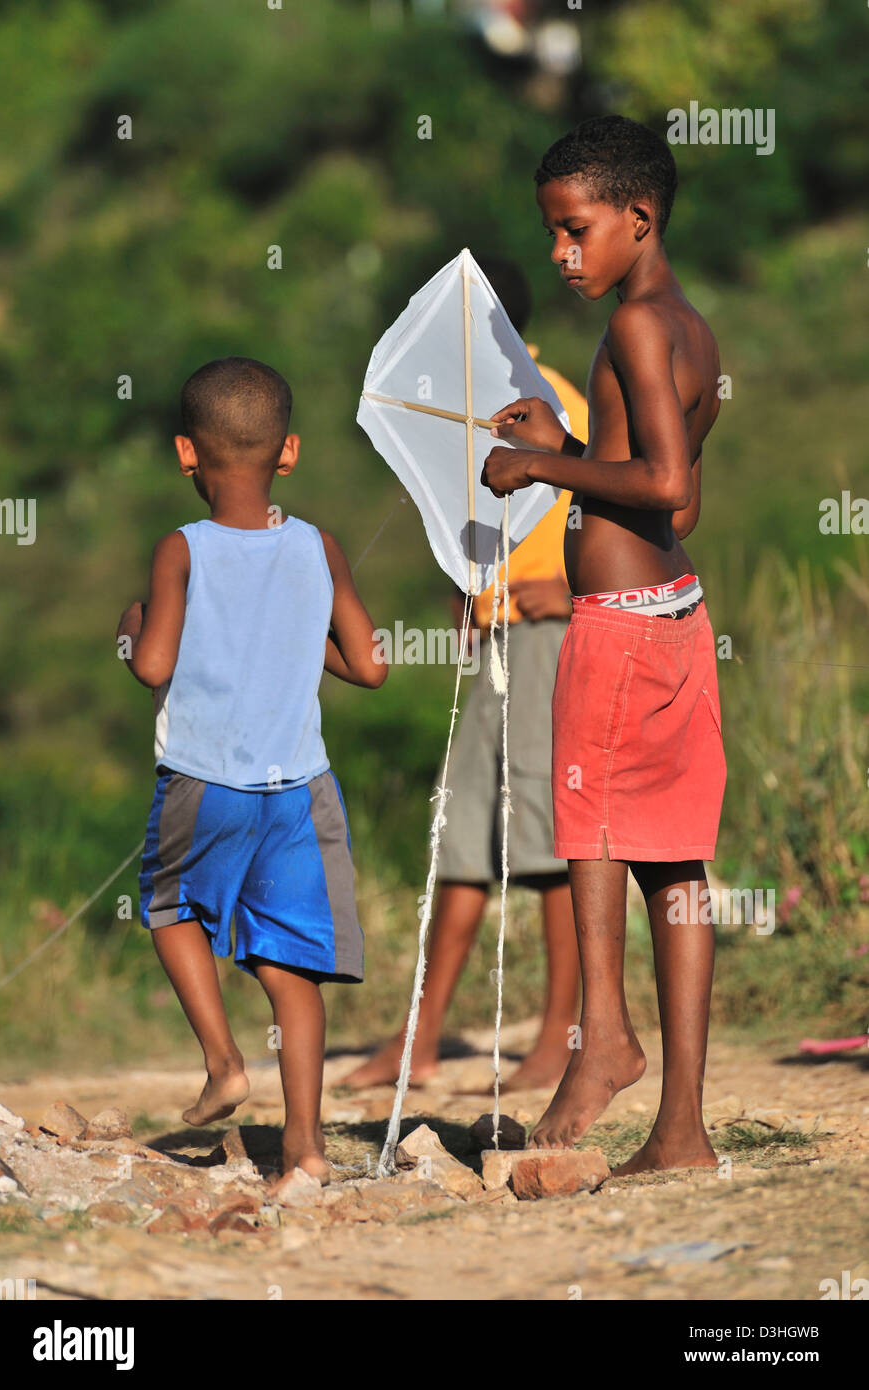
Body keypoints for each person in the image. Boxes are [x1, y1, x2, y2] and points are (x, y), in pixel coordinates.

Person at [482, 116, 726, 1174]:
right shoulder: (687, 324)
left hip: (617, 634)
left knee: (588, 832)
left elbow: (665, 489)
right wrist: (571, 448)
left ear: (638, 217)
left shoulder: (634, 326)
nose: (560, 254)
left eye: (574, 231)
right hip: (675, 613)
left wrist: (541, 475)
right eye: (551, 235)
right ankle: (682, 1130)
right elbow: (674, 496)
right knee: (674, 861)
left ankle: (604, 1040)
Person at [116, 357, 385, 1194]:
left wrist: (129, 627)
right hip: (301, 789)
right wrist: (307, 648)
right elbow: (372, 666)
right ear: (290, 452)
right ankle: (305, 1150)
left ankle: (225, 1061)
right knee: (291, 970)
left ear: (185, 454)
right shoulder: (318, 546)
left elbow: (152, 661)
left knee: (167, 907)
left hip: (204, 780)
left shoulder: (181, 550)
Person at [343, 259, 587, 1094]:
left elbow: (606, 505)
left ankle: (561, 1035)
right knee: (462, 833)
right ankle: (419, 1035)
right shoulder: (467, 415)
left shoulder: (552, 403)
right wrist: (463, 598)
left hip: (552, 638)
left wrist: (569, 591)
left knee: (548, 841)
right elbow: (470, 528)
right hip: (495, 646)